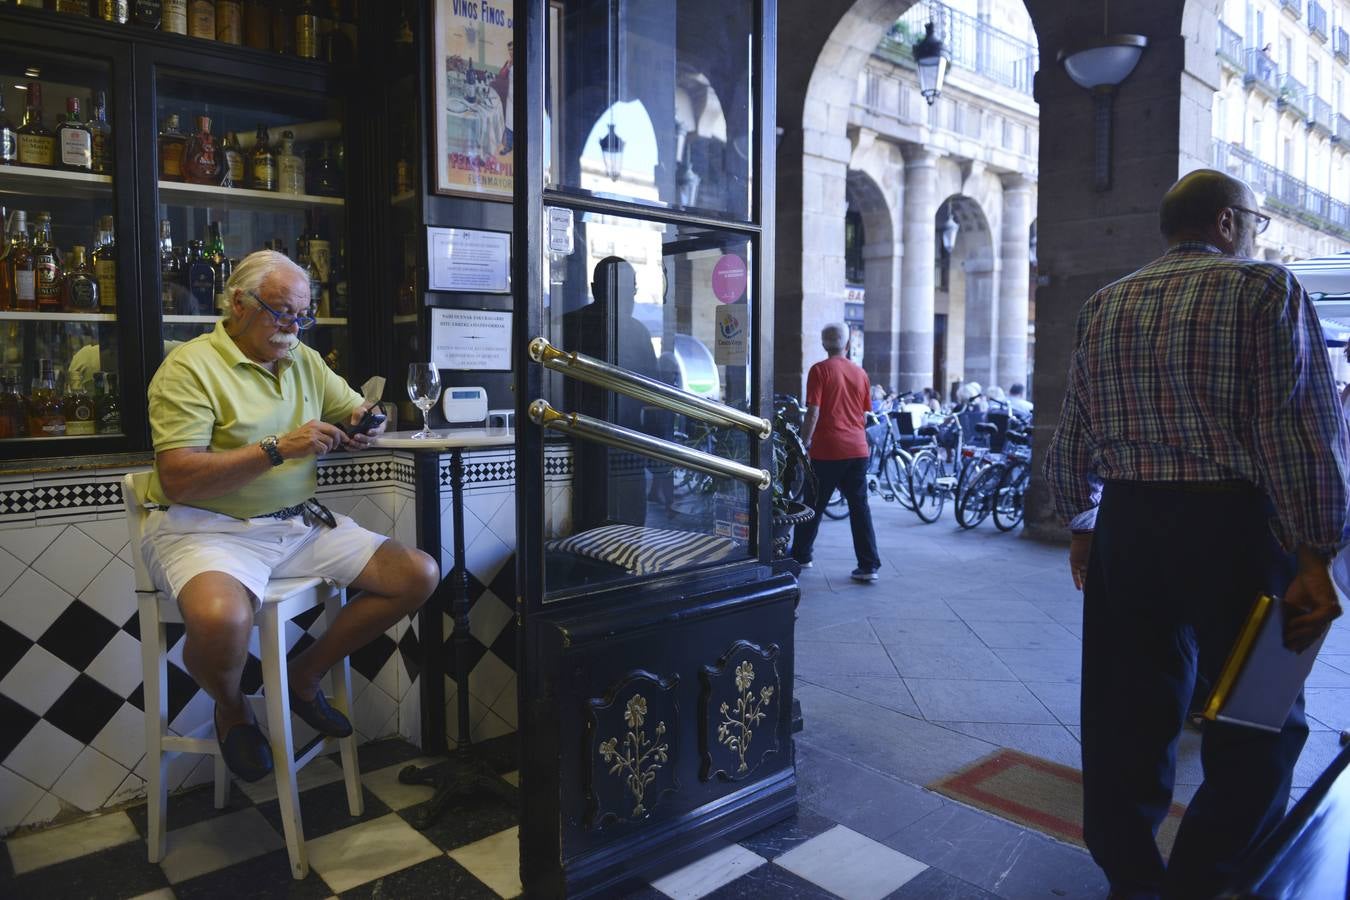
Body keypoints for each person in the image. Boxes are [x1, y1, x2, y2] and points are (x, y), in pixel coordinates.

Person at [1045, 169, 1348, 899]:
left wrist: (1084, 524)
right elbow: (1302, 430)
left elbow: (1074, 428)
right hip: (1236, 530)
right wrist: (1318, 553)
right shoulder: (1265, 290)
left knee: (1126, 713)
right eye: (1254, 221)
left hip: (1128, 525)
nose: (1255, 234)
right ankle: (1204, 879)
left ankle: (1132, 875)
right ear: (1224, 223)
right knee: (1261, 719)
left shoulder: (1104, 303)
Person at [141, 250, 439, 783]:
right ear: (238, 303)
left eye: (303, 315)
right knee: (220, 621)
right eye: (281, 312)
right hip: (209, 529)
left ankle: (305, 675)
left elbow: (356, 409)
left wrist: (365, 421)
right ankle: (232, 707)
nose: (292, 327)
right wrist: (276, 449)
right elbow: (180, 478)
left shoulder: (302, 357)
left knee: (417, 574)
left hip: (296, 523)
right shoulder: (188, 368)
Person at [790, 323, 881, 583]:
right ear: (847, 344)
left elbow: (814, 411)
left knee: (813, 504)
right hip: (857, 448)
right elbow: (864, 413)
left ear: (823, 344)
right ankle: (868, 565)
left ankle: (802, 555)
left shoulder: (819, 370)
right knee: (859, 507)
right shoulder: (860, 373)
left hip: (828, 450)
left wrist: (803, 442)